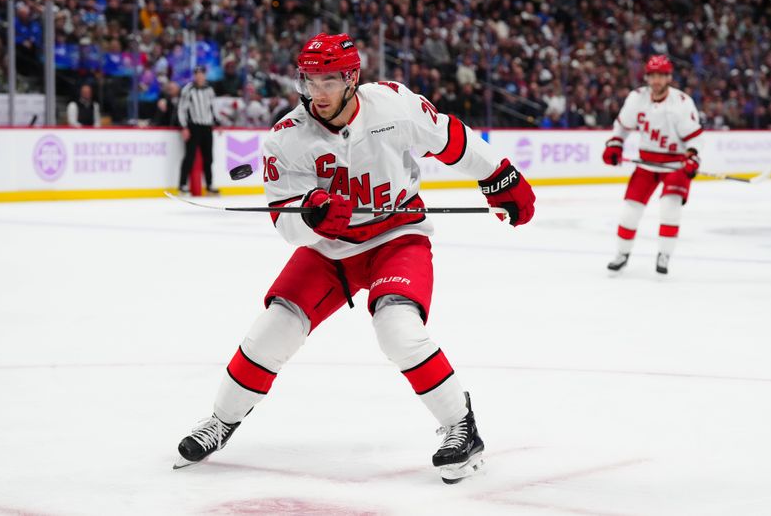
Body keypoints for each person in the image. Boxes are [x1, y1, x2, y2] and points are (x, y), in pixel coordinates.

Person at [173, 33, 536, 484]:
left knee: (397, 330)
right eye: (309, 81)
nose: (317, 93)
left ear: (352, 78)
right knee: (273, 330)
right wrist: (313, 216)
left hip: (396, 236)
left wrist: (499, 176)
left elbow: (450, 137)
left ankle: (462, 427)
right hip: (330, 251)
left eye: (328, 81)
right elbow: (285, 225)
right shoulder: (285, 139)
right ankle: (221, 420)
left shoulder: (392, 106)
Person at [602, 55, 703, 274]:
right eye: (653, 75)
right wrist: (615, 145)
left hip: (675, 165)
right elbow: (621, 127)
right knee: (630, 212)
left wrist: (692, 157)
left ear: (669, 77)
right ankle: (622, 253)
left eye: (661, 76)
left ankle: (664, 255)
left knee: (670, 210)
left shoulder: (682, 103)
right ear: (647, 77)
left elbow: (694, 138)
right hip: (646, 164)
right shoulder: (636, 98)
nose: (656, 80)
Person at [177, 65, 218, 195]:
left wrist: (217, 122)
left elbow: (214, 108)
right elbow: (181, 109)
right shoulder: (188, 90)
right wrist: (184, 127)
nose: (199, 76)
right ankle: (182, 185)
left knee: (209, 157)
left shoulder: (209, 89)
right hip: (193, 126)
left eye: (202, 73)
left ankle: (209, 185)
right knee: (189, 156)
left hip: (207, 126)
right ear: (194, 75)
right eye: (197, 74)